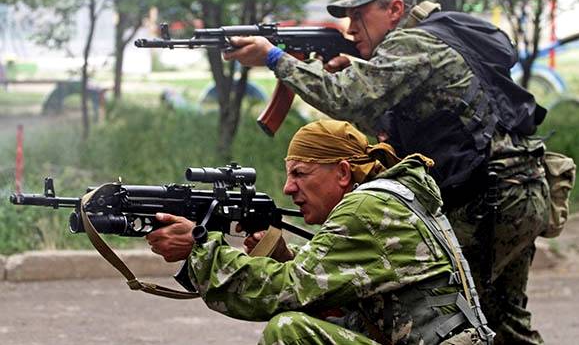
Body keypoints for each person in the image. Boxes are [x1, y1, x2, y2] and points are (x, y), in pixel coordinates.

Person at [221, 0, 550, 344]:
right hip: (516, 190)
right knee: (504, 320)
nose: (350, 27)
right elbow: (391, 121)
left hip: (488, 200)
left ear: (394, 9)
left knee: (450, 319)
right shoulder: (435, 39)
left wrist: (274, 57)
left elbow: (345, 99)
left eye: (359, 15)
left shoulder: (411, 42)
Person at [147, 119, 492, 344]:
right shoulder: (389, 199)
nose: (287, 188)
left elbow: (282, 292)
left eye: (300, 174)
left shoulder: (365, 209)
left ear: (343, 173)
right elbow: (350, 277)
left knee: (289, 332)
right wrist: (286, 257)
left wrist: (199, 249)